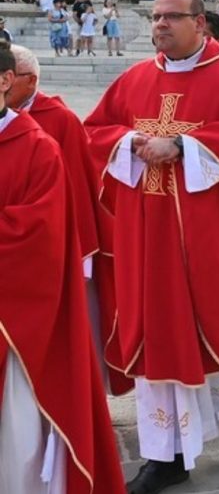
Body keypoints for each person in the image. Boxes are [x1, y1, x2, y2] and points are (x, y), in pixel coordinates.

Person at [84, 0, 219, 492]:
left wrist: (182, 144)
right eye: (154, 16)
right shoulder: (134, 78)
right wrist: (128, 141)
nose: (159, 25)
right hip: (146, 233)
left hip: (209, 231)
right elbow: (95, 131)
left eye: (170, 17)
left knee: (218, 329)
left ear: (200, 23)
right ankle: (167, 454)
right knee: (156, 331)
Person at [0, 40, 127, 494]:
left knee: (15, 439)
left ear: (5, 82)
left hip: (15, 320)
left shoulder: (37, 148)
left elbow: (41, 235)